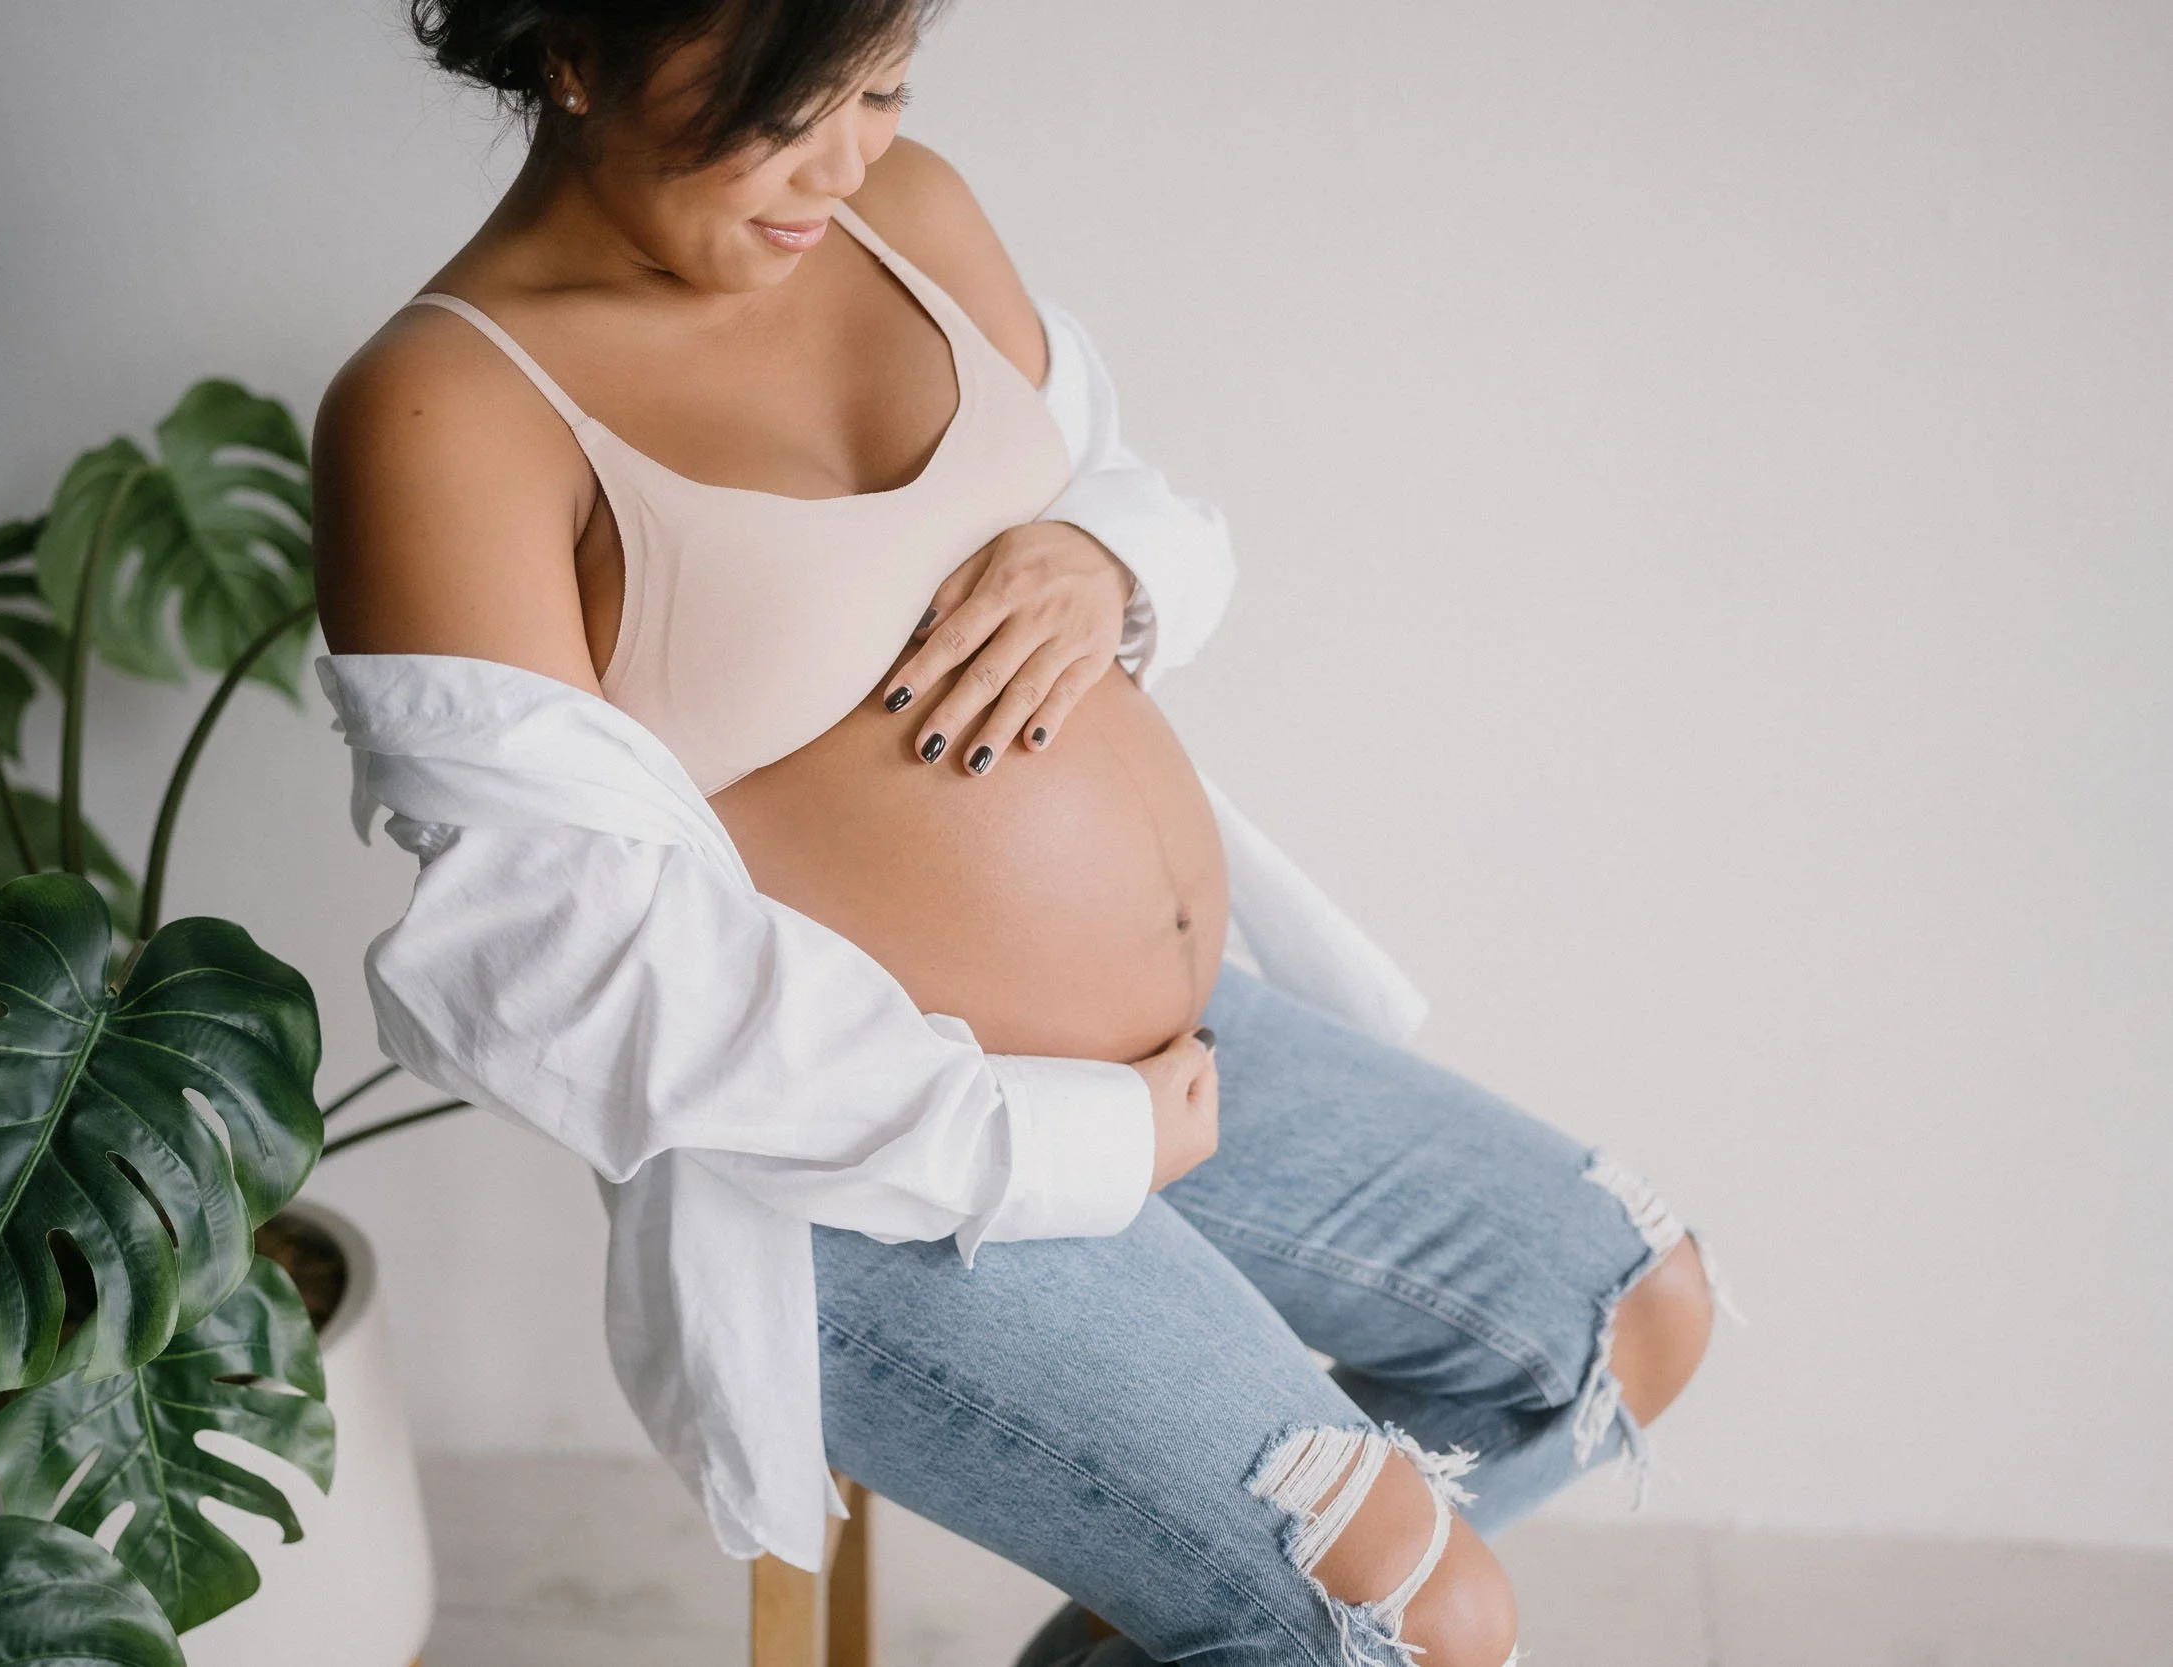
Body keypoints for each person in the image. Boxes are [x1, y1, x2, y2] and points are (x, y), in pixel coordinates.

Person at [311, 4, 1720, 1662]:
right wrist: (1065, 1145)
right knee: (1414, 1614)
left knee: (1620, 1316)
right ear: (577, 40)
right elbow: (557, 966)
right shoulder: (445, 409)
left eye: (884, 88)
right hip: (871, 1176)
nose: (844, 159)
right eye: (788, 107)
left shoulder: (904, 214)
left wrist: (1102, 566)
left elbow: (1121, 491)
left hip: (1181, 1054)